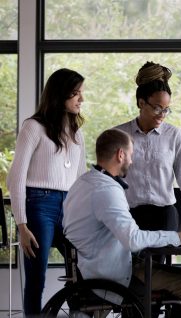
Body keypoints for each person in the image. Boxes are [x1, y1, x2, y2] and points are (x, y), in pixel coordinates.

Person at [62, 128, 181, 318]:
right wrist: (179, 237)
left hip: (94, 267)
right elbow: (133, 239)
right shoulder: (107, 191)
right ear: (120, 154)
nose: (131, 160)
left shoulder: (82, 184)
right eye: (131, 154)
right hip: (113, 275)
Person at [114, 61, 181, 248]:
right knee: (131, 271)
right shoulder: (119, 135)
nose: (162, 114)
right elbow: (108, 180)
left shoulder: (174, 136)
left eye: (166, 109)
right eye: (156, 108)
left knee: (159, 272)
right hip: (127, 215)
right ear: (141, 103)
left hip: (164, 215)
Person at [6, 68, 87, 316]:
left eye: (81, 93)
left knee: (83, 267)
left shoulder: (77, 133)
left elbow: (81, 178)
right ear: (59, 95)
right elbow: (16, 177)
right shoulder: (33, 127)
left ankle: (80, 312)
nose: (81, 99)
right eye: (75, 93)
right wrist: (22, 224)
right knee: (37, 275)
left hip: (70, 206)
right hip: (40, 204)